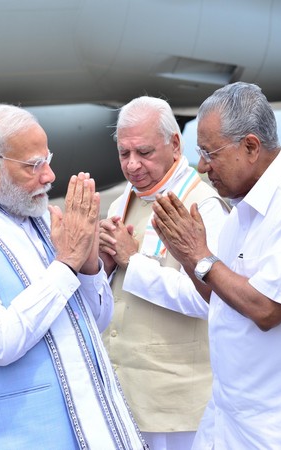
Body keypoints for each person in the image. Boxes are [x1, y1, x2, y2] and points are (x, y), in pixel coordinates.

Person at [0, 104, 147, 450]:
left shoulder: (37, 217)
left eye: (48, 159)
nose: (49, 175)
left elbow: (95, 321)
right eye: (34, 165)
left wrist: (87, 267)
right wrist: (66, 263)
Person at [150, 81, 281, 449]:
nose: (201, 166)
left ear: (251, 146)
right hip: (230, 415)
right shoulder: (242, 209)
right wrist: (187, 257)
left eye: (210, 153)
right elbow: (221, 296)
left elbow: (267, 309)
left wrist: (200, 256)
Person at [98, 96, 229, 449]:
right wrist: (99, 268)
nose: (132, 165)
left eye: (143, 152)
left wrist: (131, 260)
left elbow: (210, 300)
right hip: (124, 397)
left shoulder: (203, 205)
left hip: (178, 406)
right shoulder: (120, 202)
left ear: (174, 145)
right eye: (124, 154)